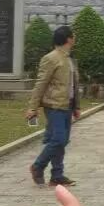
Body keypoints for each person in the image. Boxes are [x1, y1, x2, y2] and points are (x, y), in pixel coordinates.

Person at [26, 26, 81, 187]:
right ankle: (38, 166)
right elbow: (41, 84)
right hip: (54, 105)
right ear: (68, 39)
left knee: (61, 141)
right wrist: (32, 107)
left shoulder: (69, 59)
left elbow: (73, 85)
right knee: (59, 139)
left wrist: (76, 106)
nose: (75, 39)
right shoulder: (51, 58)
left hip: (67, 105)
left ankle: (57, 175)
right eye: (73, 36)